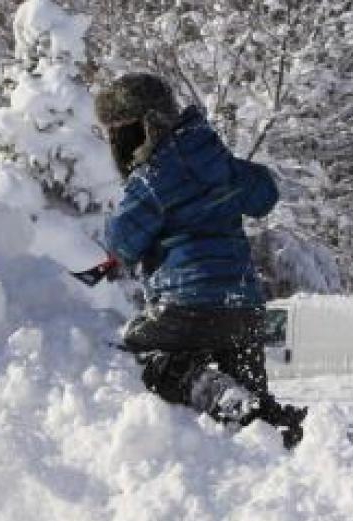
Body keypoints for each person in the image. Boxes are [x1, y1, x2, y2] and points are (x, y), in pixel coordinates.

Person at [81, 72, 307, 448]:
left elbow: (122, 243)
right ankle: (296, 435)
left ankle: (214, 391)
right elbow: (265, 195)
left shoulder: (152, 180)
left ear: (148, 126)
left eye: (121, 132)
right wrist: (224, 182)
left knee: (131, 359)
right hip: (244, 308)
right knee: (253, 420)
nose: (118, 144)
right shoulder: (217, 161)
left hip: (187, 308)